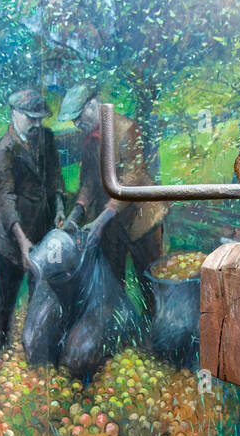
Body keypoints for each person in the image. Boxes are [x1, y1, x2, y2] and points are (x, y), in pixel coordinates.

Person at [58, 83, 167, 321]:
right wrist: (76, 213)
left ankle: (157, 335)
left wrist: (101, 219)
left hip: (140, 219)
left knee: (150, 282)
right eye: (73, 121)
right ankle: (119, 332)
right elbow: (88, 182)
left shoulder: (127, 129)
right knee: (113, 282)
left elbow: (131, 179)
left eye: (78, 117)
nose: (77, 125)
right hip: (110, 224)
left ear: (93, 104)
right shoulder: (87, 140)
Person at [0, 89, 65, 347]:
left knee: (40, 293)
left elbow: (55, 177)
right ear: (15, 114)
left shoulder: (46, 138)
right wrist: (22, 242)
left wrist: (60, 207)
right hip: (11, 239)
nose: (37, 124)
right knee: (4, 303)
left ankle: (36, 350)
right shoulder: (4, 150)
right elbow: (5, 200)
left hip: (42, 231)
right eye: (31, 118)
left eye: (40, 118)